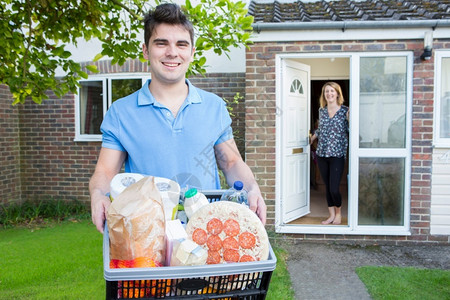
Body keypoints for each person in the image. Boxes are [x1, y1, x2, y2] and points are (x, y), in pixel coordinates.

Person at [89, 3, 266, 233]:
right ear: (145, 50)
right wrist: (98, 195)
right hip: (146, 234)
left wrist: (252, 188)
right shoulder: (121, 112)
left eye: (181, 44)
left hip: (206, 232)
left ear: (192, 52)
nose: (172, 52)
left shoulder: (214, 107)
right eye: (161, 43)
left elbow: (231, 162)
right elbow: (105, 172)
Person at [310, 82, 349, 225]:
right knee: (327, 187)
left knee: (334, 187)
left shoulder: (345, 111)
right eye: (326, 91)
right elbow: (320, 130)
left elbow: (351, 130)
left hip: (337, 155)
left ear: (337, 93)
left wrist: (350, 119)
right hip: (322, 153)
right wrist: (312, 138)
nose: (329, 94)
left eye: (332, 91)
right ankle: (331, 215)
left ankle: (338, 213)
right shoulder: (322, 111)